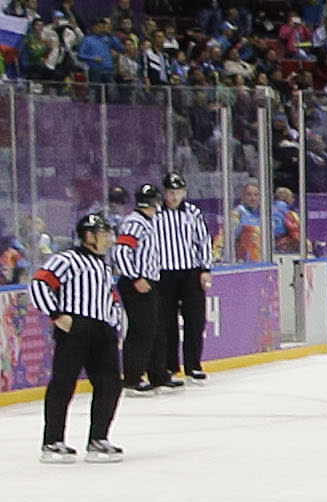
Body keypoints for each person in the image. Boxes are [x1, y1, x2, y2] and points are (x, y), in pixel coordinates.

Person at [29, 208, 127, 463]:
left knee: (111, 384)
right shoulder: (69, 259)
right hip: (76, 329)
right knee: (63, 383)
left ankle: (98, 439)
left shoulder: (104, 266)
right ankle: (52, 442)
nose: (108, 238)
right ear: (88, 236)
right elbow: (39, 283)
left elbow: (111, 296)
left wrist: (113, 322)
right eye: (103, 233)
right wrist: (57, 314)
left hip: (102, 330)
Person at [143, 173, 215, 384]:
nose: (173, 197)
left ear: (183, 193)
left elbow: (203, 241)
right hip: (163, 274)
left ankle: (193, 365)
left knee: (195, 320)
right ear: (163, 193)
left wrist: (205, 268)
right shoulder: (154, 214)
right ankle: (169, 365)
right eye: (170, 192)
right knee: (166, 322)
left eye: (177, 192)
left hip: (190, 272)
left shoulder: (193, 212)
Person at [109, 184, 168, 394]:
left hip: (149, 280)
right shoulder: (135, 223)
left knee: (154, 328)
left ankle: (156, 372)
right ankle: (133, 377)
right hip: (137, 282)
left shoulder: (147, 222)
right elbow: (121, 252)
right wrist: (136, 277)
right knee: (141, 329)